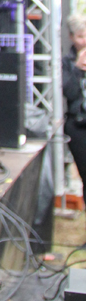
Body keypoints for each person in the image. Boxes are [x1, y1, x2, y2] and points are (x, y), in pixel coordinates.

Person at [63, 12, 86, 188]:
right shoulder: (66, 62)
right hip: (78, 125)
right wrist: (77, 69)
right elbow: (69, 93)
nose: (84, 41)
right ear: (71, 37)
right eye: (80, 37)